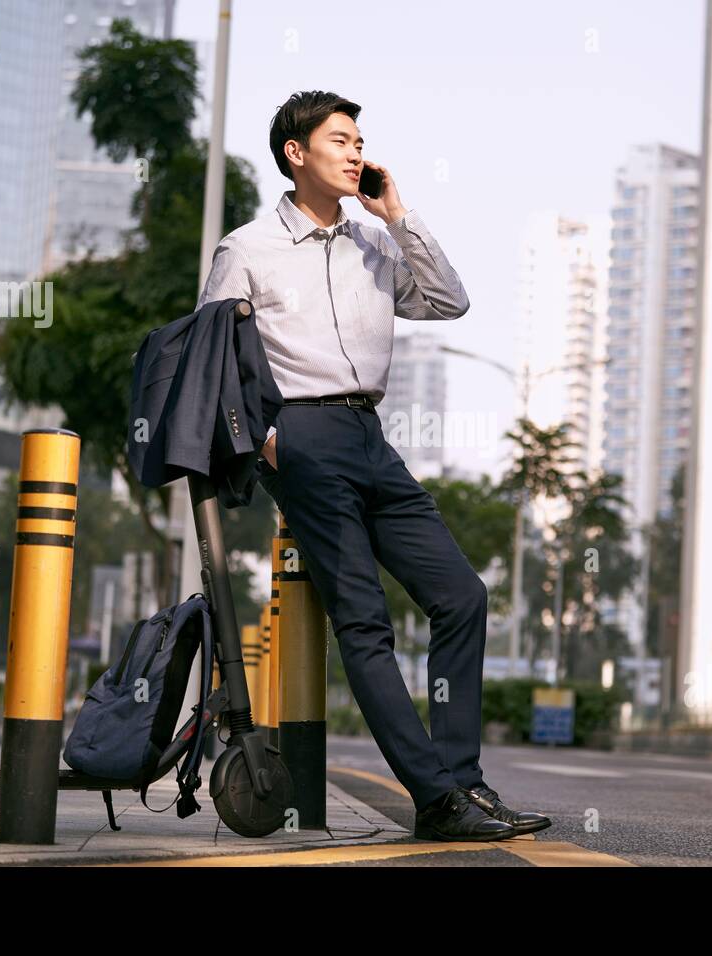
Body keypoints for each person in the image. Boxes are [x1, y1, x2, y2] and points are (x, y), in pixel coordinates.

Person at [197, 90, 551, 842]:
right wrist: (267, 441)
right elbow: (212, 360)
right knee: (365, 619)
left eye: (361, 140)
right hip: (302, 436)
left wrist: (398, 216)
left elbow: (449, 301)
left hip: (371, 438)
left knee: (461, 595)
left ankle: (462, 782)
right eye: (341, 139)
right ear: (297, 153)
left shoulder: (374, 244)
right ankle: (436, 799)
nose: (357, 152)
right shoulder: (247, 248)